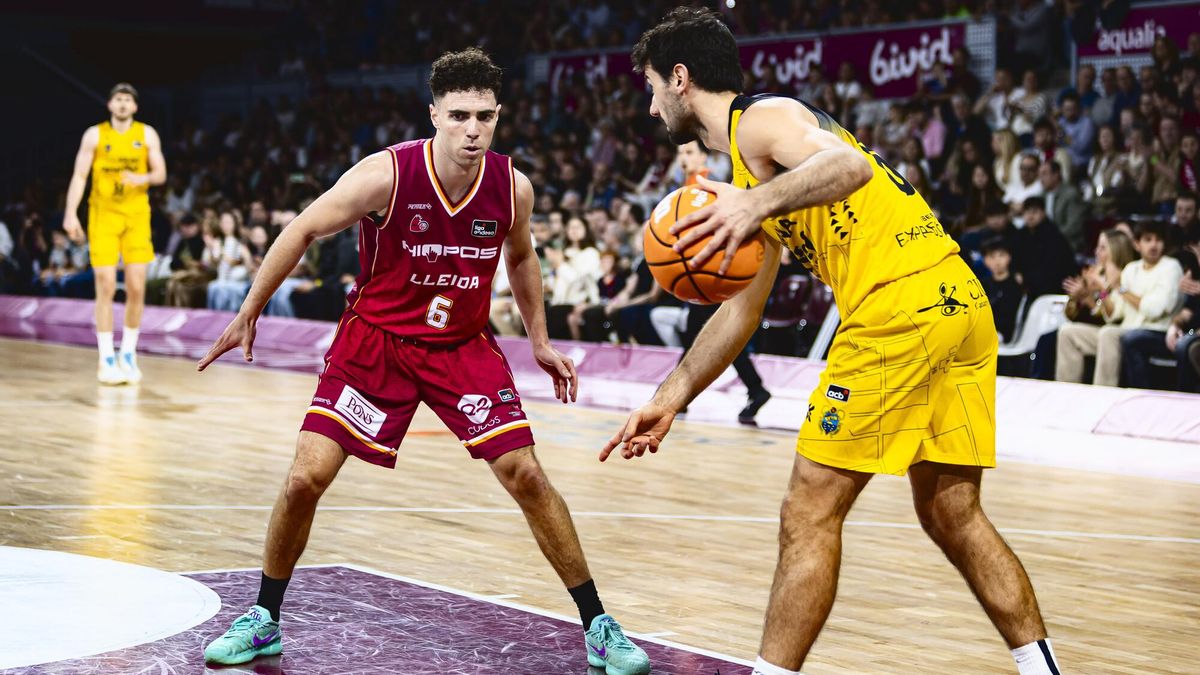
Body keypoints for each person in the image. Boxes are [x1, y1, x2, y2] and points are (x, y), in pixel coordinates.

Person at [602, 9, 1061, 675]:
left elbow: (850, 166)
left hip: (897, 306)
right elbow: (740, 311)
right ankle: (1043, 668)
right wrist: (669, 397)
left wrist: (752, 204)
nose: (649, 108)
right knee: (951, 510)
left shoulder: (760, 120)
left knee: (808, 509)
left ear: (680, 78)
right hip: (957, 300)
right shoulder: (751, 171)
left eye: (649, 87)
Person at [197, 49, 649, 674]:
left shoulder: (512, 186)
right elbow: (300, 228)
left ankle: (599, 624)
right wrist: (250, 309)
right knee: (306, 477)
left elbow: (520, 258)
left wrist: (539, 339)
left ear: (498, 118)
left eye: (484, 117)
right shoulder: (385, 175)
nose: (472, 129)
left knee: (527, 475)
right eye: (459, 114)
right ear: (433, 112)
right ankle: (264, 618)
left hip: (462, 347)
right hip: (375, 343)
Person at [63, 82, 167, 384]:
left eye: (127, 100)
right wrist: (71, 213)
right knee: (105, 285)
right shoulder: (94, 135)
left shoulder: (146, 134)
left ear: (134, 106)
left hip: (136, 216)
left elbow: (160, 174)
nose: (122, 104)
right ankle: (106, 357)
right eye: (117, 99)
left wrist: (141, 177)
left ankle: (129, 353)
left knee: (136, 287)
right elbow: (80, 175)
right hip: (103, 216)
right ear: (110, 105)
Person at [1057, 221, 1183, 386]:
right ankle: (1067, 394)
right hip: (1124, 330)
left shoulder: (1171, 267)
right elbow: (1115, 314)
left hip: (1155, 332)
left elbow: (1155, 309)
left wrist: (1120, 288)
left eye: (1158, 240)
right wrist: (1103, 291)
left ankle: (1102, 395)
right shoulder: (1131, 269)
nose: (1153, 245)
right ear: (1137, 244)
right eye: (1148, 240)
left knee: (1108, 334)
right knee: (1068, 333)